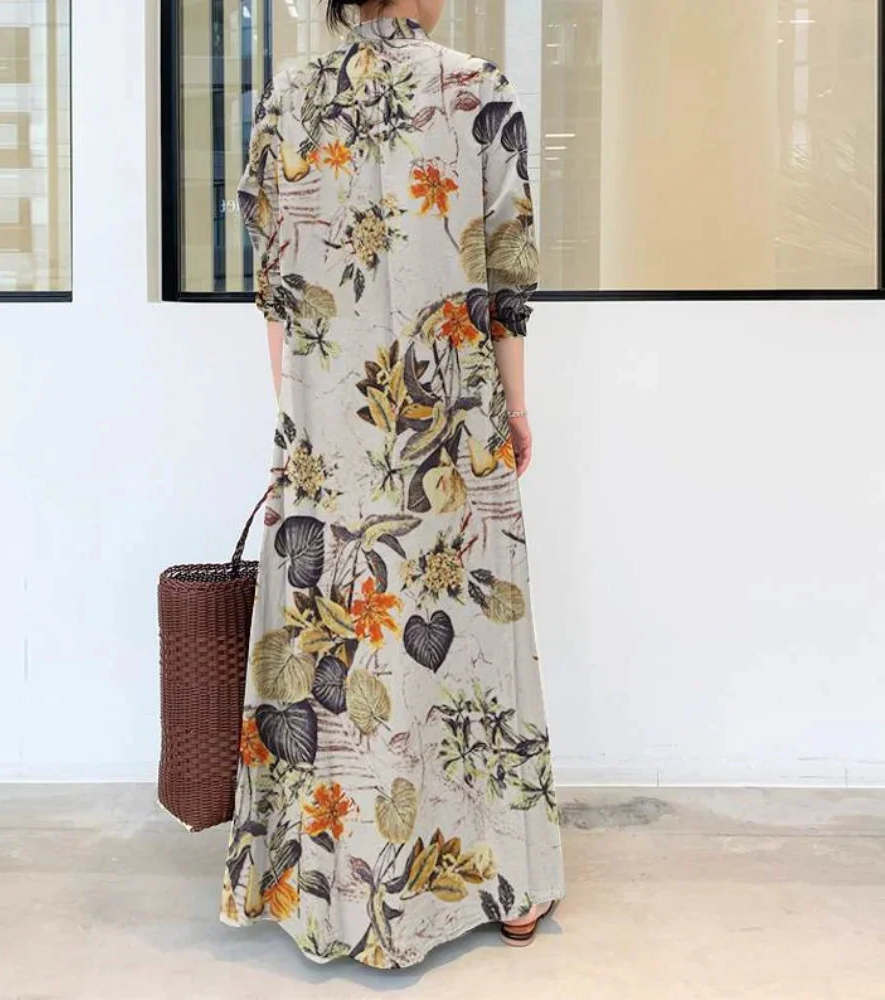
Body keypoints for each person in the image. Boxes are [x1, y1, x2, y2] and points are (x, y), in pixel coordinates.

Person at [220, 0, 565, 969]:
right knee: (469, 647)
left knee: (334, 645)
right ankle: (503, 883)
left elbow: (276, 291)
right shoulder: (475, 89)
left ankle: (325, 889)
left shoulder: (286, 101)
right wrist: (516, 407)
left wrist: (296, 418)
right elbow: (507, 282)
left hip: (325, 424)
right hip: (449, 421)